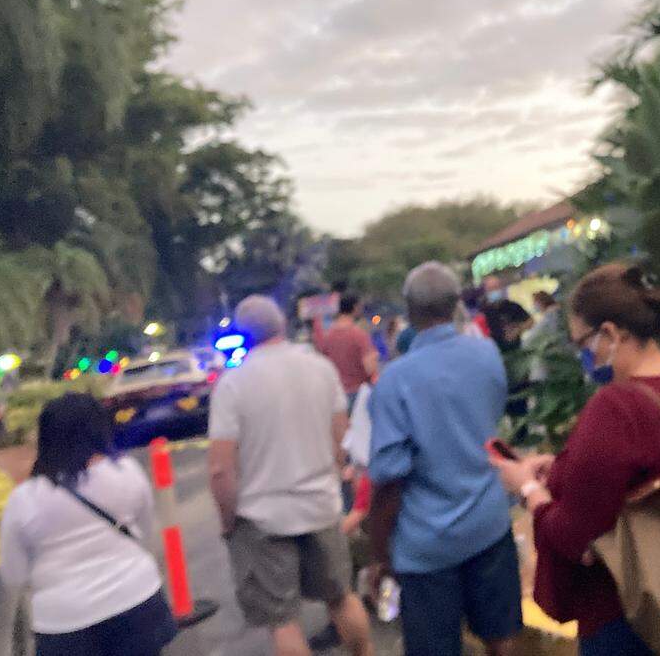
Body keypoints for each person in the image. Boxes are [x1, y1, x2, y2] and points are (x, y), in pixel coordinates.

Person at [491, 263, 660, 656]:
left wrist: (527, 488)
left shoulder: (617, 406)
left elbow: (574, 533)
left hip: (628, 614)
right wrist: (564, 468)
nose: (584, 356)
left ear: (611, 334)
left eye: (583, 344)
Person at [368, 262, 522, 656]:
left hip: (427, 546)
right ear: (456, 304)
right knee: (500, 637)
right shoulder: (486, 355)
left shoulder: (395, 381)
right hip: (488, 523)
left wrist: (379, 555)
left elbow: (389, 480)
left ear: (409, 310)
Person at [208, 295, 373, 656]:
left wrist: (227, 520)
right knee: (341, 597)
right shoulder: (321, 369)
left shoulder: (233, 385)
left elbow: (221, 468)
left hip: (262, 517)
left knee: (283, 620)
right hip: (321, 506)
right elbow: (341, 437)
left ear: (243, 335)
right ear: (282, 324)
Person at [0, 393, 177, 656]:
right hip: (136, 600)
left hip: (64, 622)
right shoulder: (127, 472)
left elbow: (14, 574)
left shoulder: (25, 499)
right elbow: (144, 532)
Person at [313, 293, 379, 411]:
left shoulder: (328, 336)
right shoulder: (359, 335)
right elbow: (370, 367)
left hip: (335, 395)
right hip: (357, 395)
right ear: (355, 308)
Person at [480, 275, 532, 352]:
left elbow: (530, 321)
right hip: (495, 352)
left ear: (501, 287)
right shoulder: (483, 312)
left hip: (516, 349)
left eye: (496, 287)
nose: (494, 291)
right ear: (486, 290)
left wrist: (517, 330)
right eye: (491, 289)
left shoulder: (512, 306)